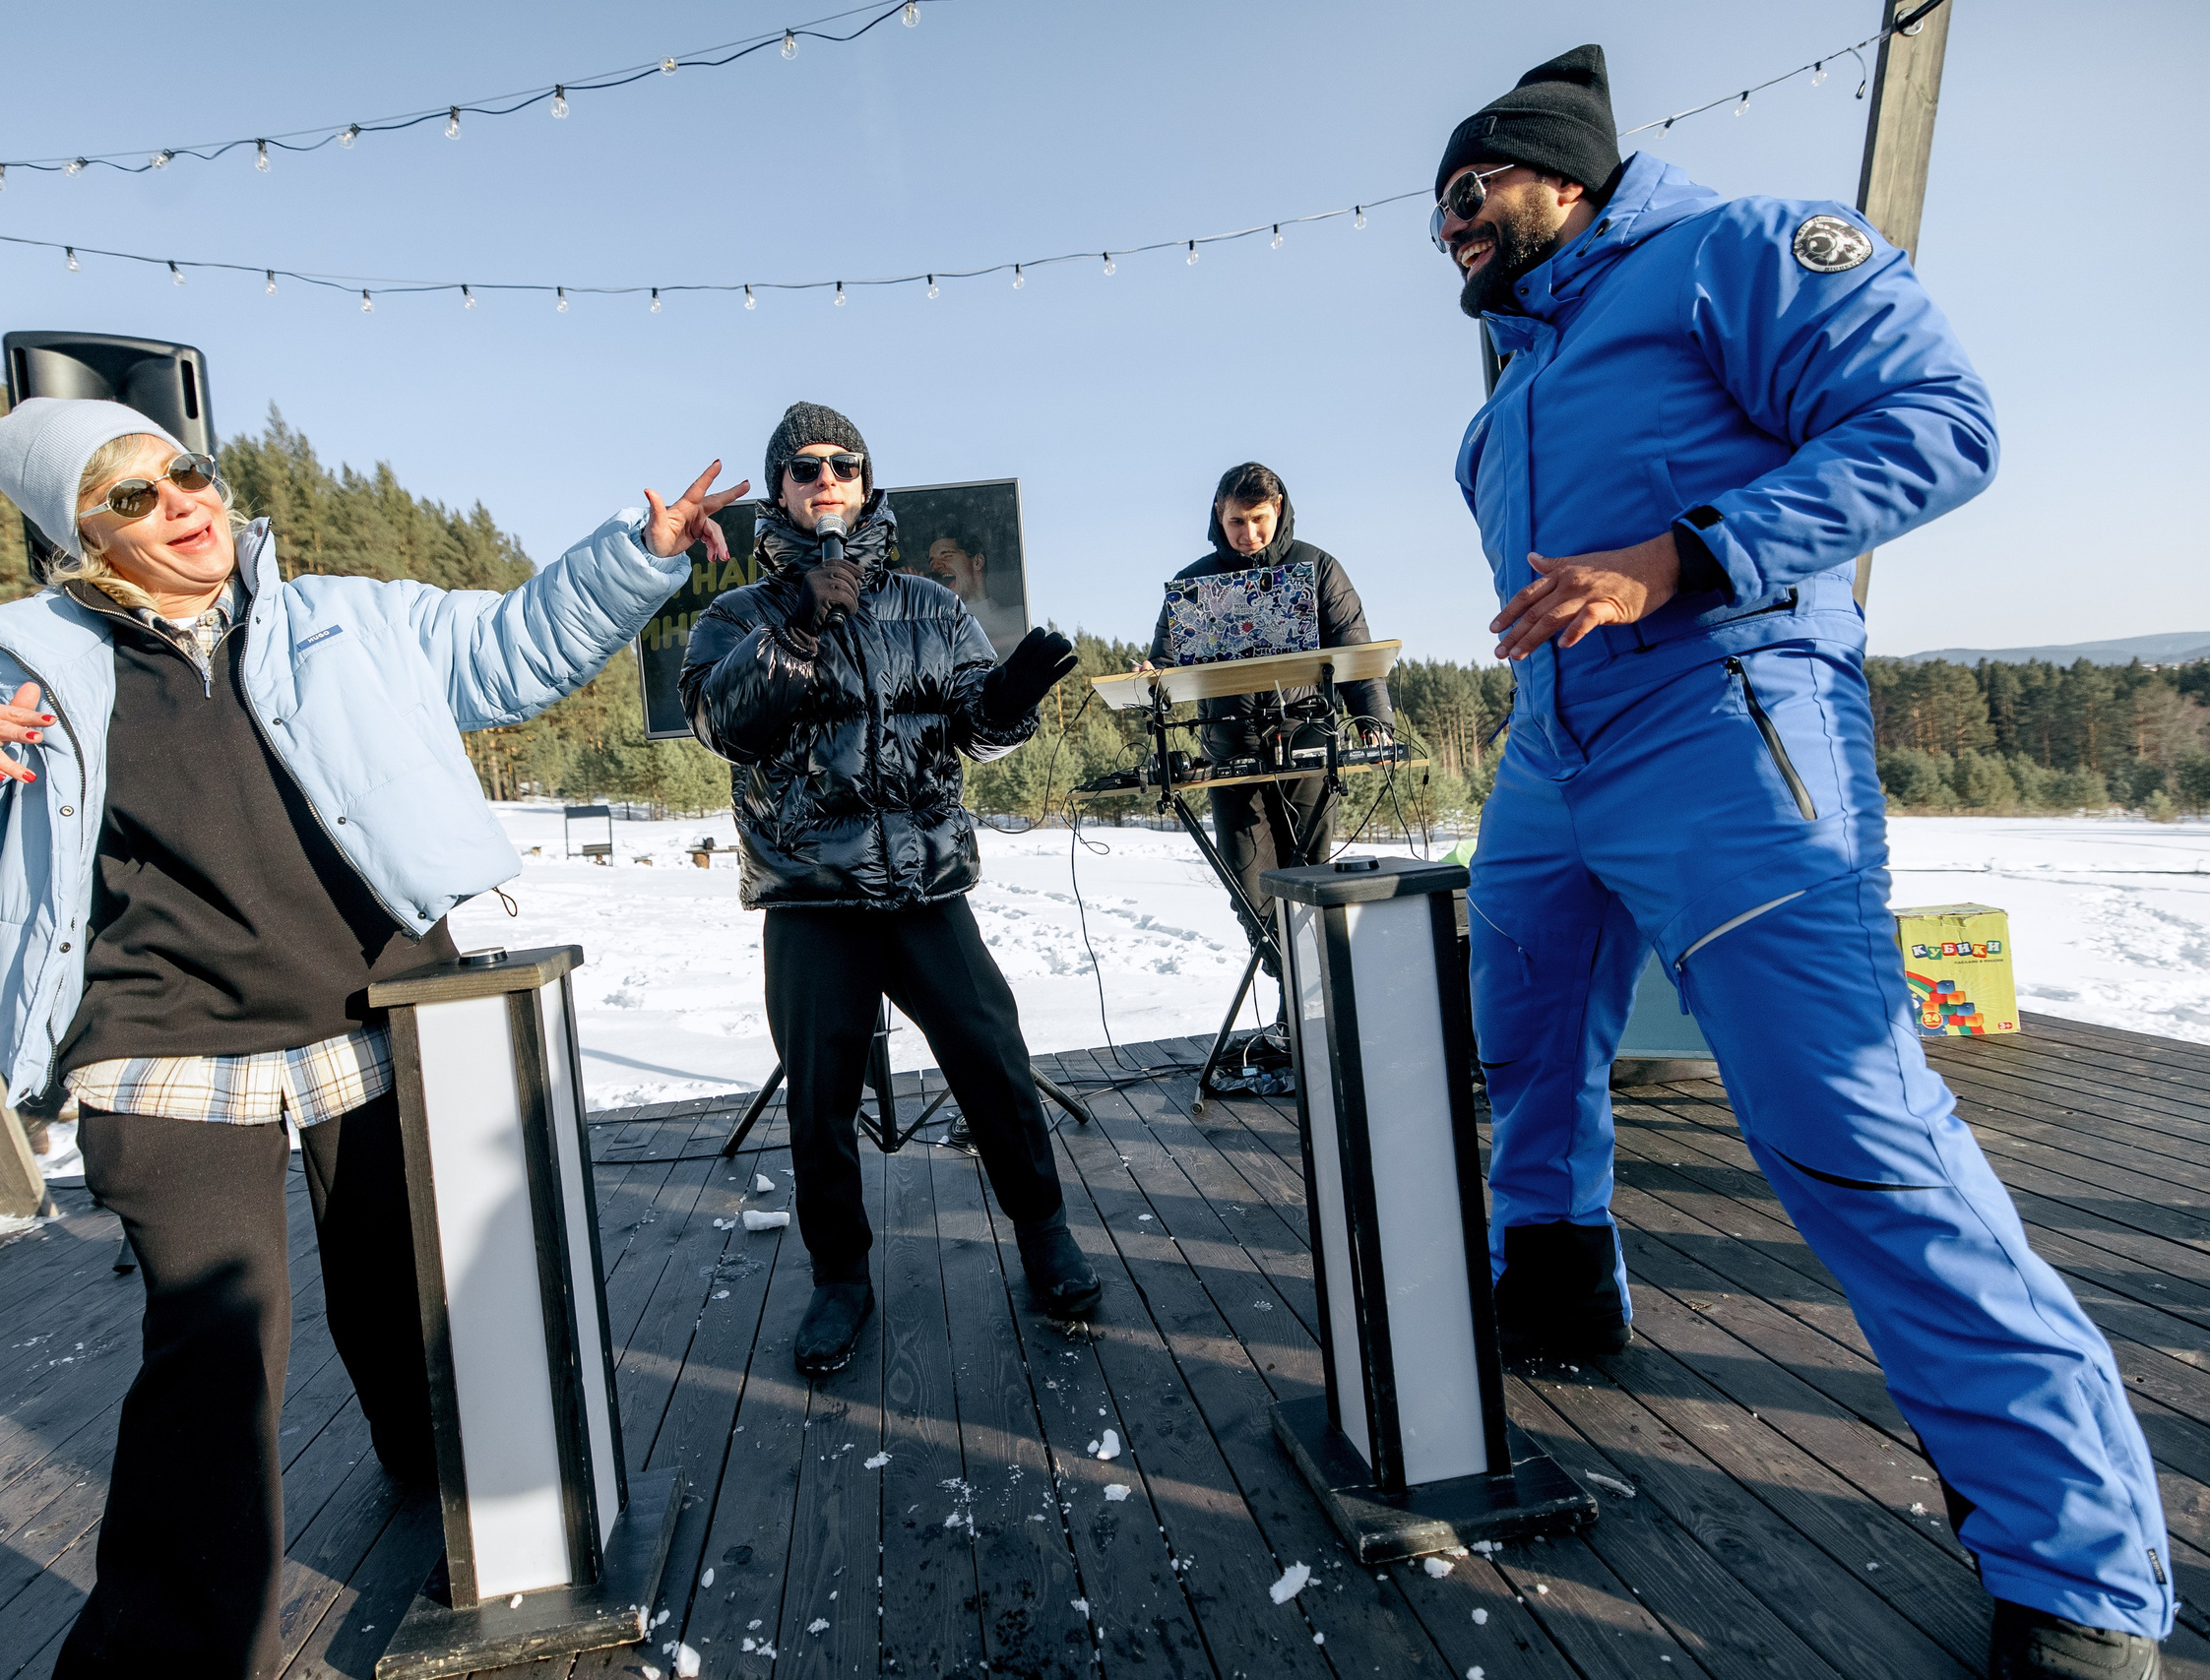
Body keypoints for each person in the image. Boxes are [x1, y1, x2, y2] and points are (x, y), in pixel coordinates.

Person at [1434, 45, 2168, 1678]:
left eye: (1471, 195)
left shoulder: (1743, 252)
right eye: (1438, 219)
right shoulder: (1509, 390)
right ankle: (1557, 1284)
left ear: (1564, 171)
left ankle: (2085, 1570)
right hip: (1555, 757)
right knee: (1525, 1038)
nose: (1451, 235)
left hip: (1729, 727)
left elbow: (1941, 423)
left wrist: (1684, 556)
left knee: (1847, 1122)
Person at [0, 396, 745, 1680]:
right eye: (135, 498)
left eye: (188, 472)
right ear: (84, 541)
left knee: (400, 1288)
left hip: (375, 1013)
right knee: (214, 1352)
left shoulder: (343, 615)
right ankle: (161, 1656)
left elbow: (508, 651)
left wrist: (636, 550)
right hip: (164, 1043)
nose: (183, 504)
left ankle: (422, 1466)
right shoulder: (36, 667)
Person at [679, 401, 1100, 1375]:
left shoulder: (930, 604)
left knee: (990, 1054)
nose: (825, 478)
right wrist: (796, 621)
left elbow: (973, 731)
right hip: (808, 893)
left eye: (844, 465)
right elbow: (723, 726)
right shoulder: (734, 614)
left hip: (923, 884)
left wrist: (1007, 701)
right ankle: (839, 1279)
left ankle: (1043, 1234)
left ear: (866, 486)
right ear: (779, 490)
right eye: (803, 468)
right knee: (819, 1098)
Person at [1149, 464, 1393, 981]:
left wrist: (1374, 720)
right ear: (1220, 514)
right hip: (1231, 755)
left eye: (1259, 519)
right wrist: (1154, 673)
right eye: (1237, 521)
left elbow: (1356, 652)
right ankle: (1298, 999)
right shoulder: (1194, 582)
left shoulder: (1319, 567)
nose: (1249, 534)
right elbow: (1166, 661)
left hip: (1308, 747)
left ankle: (1307, 1018)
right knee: (1251, 895)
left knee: (1308, 887)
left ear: (1278, 510)